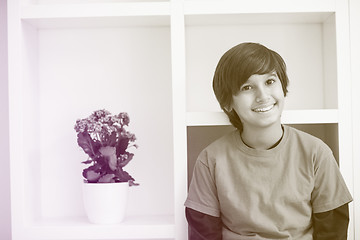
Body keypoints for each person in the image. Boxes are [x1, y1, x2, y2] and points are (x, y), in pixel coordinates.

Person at [184, 42, 353, 240]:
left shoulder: (316, 153)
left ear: (283, 87)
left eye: (270, 82)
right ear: (228, 102)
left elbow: (334, 231)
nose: (262, 96)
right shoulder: (211, 159)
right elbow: (202, 233)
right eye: (247, 87)